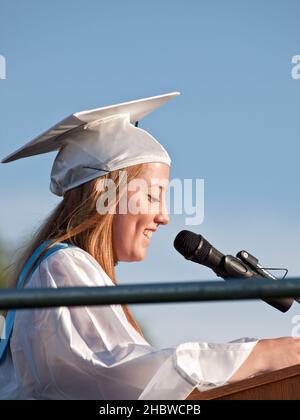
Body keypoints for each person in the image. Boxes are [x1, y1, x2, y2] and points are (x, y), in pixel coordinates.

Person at [0, 92, 299, 400]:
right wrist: (266, 355)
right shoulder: (63, 267)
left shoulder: (68, 269)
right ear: (104, 194)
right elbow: (122, 374)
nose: (164, 216)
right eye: (152, 196)